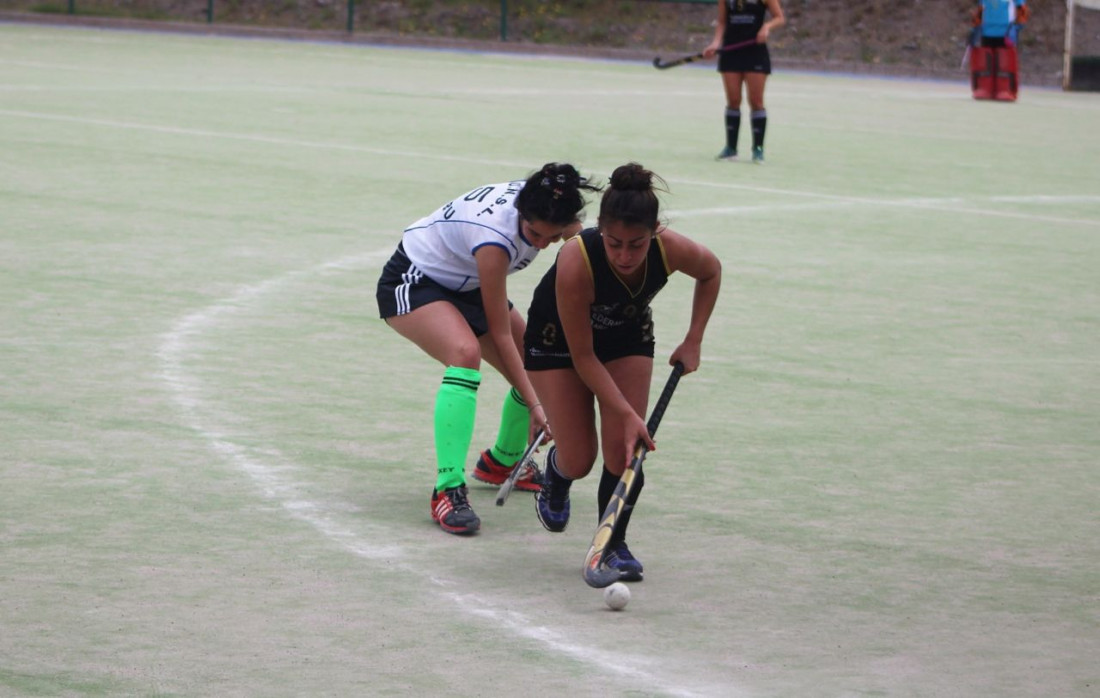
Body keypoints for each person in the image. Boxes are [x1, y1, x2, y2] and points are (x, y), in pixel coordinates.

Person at [376, 163, 600, 535]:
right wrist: (537, 405)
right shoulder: (495, 239)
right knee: (465, 354)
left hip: (467, 286)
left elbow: (583, 242)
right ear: (521, 215)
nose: (542, 243)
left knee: (536, 362)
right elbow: (500, 334)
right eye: (534, 234)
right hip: (415, 280)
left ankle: (505, 461)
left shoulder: (550, 205)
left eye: (552, 235)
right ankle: (447, 488)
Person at [523, 163, 722, 581]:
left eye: (637, 244)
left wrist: (694, 339)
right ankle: (559, 471)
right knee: (581, 459)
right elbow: (583, 358)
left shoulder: (670, 249)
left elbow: (710, 271)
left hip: (627, 335)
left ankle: (612, 544)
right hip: (558, 343)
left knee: (624, 451)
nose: (626, 256)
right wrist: (628, 413)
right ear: (600, 230)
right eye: (614, 244)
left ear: (655, 232)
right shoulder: (576, 261)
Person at [703, 0, 786, 164]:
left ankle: (758, 149)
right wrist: (716, 42)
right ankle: (731, 149)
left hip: (755, 51)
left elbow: (779, 18)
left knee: (756, 101)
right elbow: (722, 21)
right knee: (733, 100)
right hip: (731, 51)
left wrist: (766, 27)